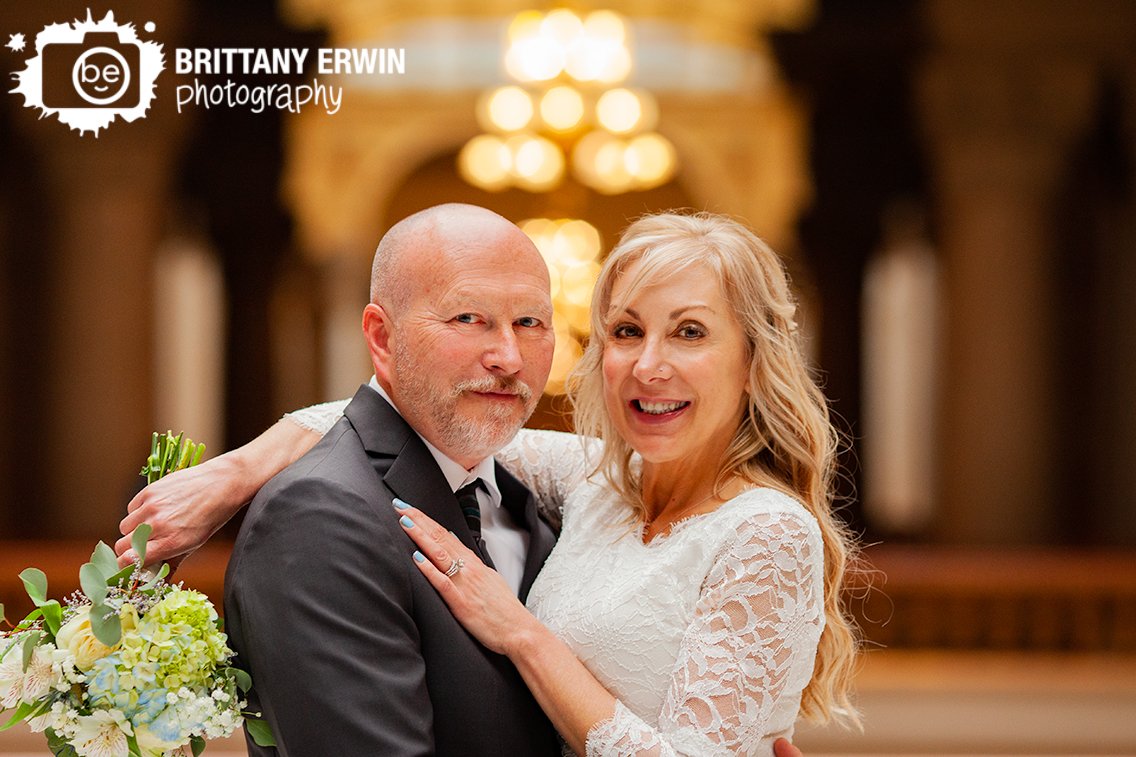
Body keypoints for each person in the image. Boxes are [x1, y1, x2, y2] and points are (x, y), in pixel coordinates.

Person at [120, 209, 852, 755]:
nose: (648, 364)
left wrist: (525, 635)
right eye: (627, 332)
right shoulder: (597, 483)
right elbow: (417, 415)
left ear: (754, 360)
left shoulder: (767, 529)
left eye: (689, 332)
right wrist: (237, 471)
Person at [209, 203, 563, 754]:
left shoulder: (530, 502)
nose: (509, 357)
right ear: (381, 336)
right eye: (468, 318)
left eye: (530, 322)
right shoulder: (318, 517)